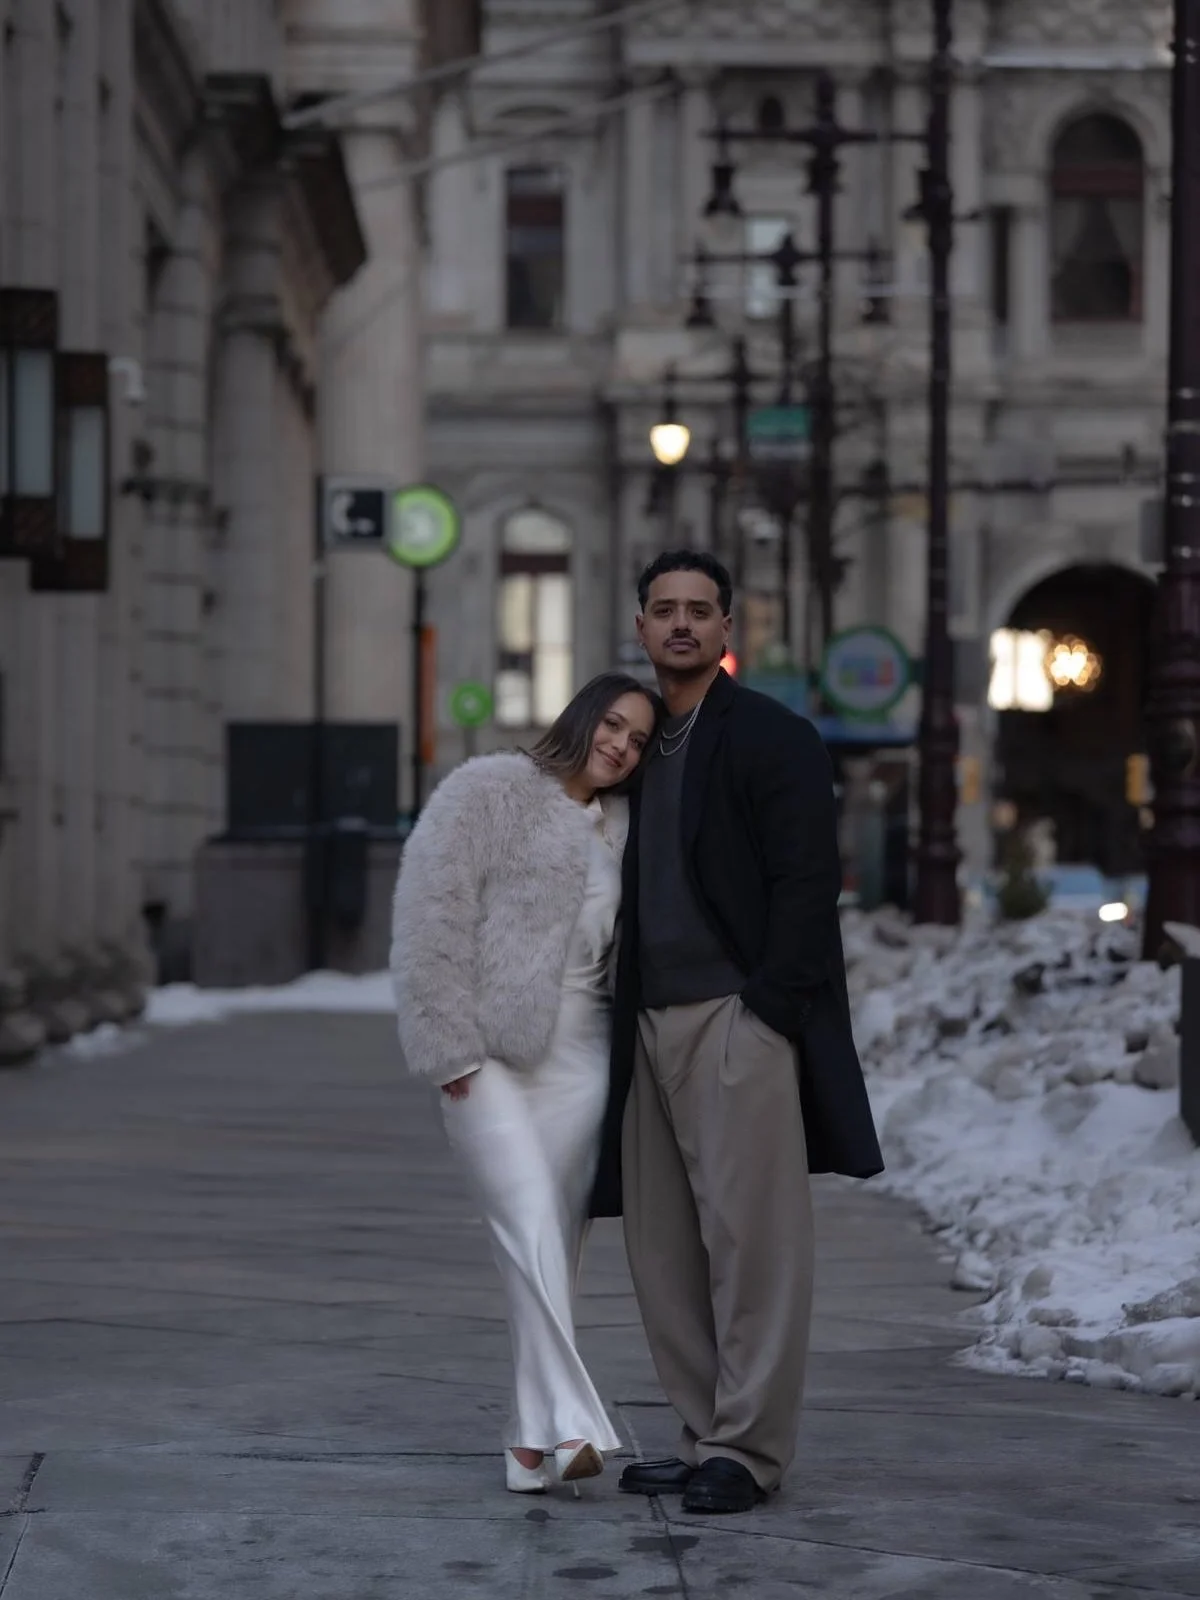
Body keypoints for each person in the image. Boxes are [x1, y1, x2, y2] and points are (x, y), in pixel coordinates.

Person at [589, 550, 884, 1516]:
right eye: (664, 609)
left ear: (726, 630)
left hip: (732, 1016)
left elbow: (809, 883)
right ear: (639, 626)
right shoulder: (631, 744)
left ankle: (749, 1449)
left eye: (699, 610)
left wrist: (768, 1010)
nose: (681, 624)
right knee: (664, 1249)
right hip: (644, 1025)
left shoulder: (771, 735)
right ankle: (701, 1431)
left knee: (752, 1244)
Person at [390, 672, 661, 1496]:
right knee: (526, 1222)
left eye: (638, 739)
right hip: (493, 1058)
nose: (619, 745)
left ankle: (527, 1444)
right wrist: (449, 1049)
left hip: (583, 1058)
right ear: (581, 718)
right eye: (612, 724)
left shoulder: (621, 824)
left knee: (550, 1249)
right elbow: (427, 913)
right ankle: (575, 1423)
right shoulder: (489, 790)